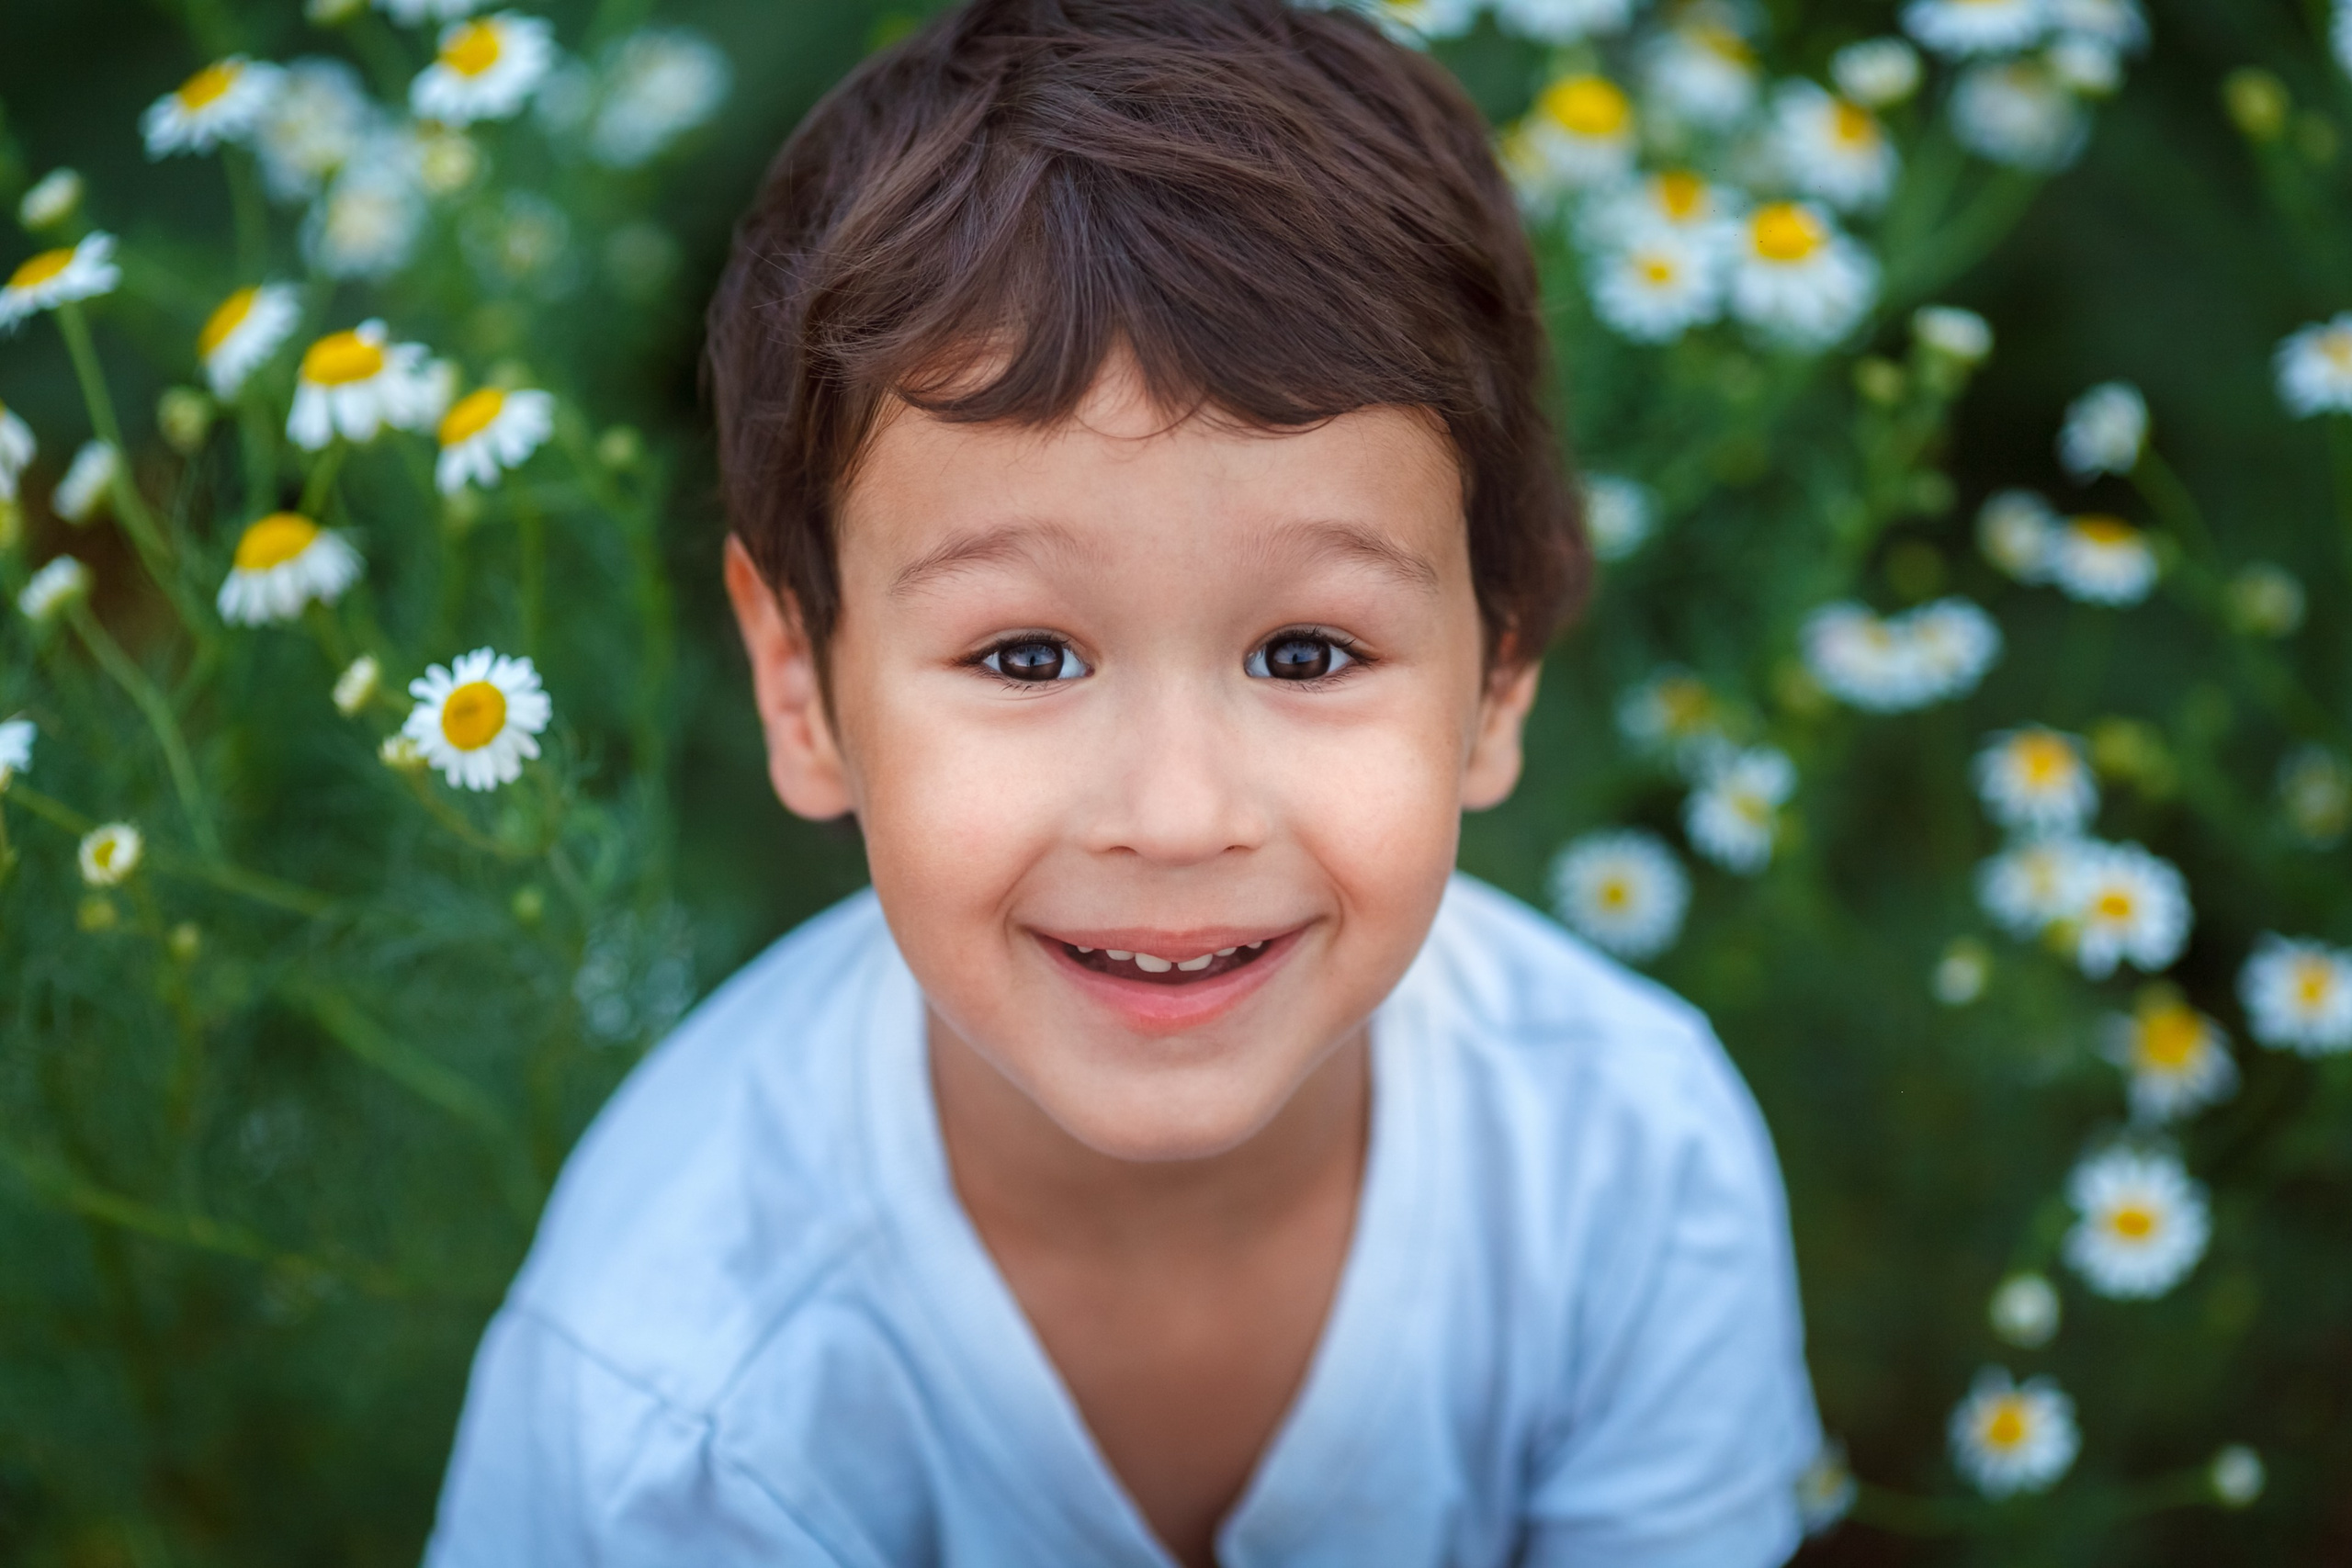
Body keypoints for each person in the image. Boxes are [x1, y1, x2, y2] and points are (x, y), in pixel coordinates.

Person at [424, 2, 1821, 1563]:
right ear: (799, 685)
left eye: (1305, 654)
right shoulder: (674, 1405)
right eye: (1026, 658)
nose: (1174, 813)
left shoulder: (1633, 1168)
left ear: (1498, 677)